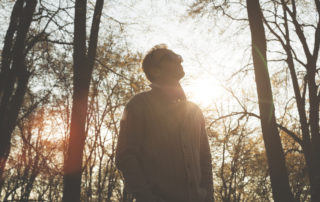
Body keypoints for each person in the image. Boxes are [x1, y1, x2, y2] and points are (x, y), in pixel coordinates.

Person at [115, 44, 214, 202]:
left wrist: (208, 197)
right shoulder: (138, 105)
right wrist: (147, 198)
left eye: (178, 56)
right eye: (170, 57)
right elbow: (125, 157)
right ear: (155, 71)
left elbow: (205, 160)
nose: (179, 59)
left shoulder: (195, 111)